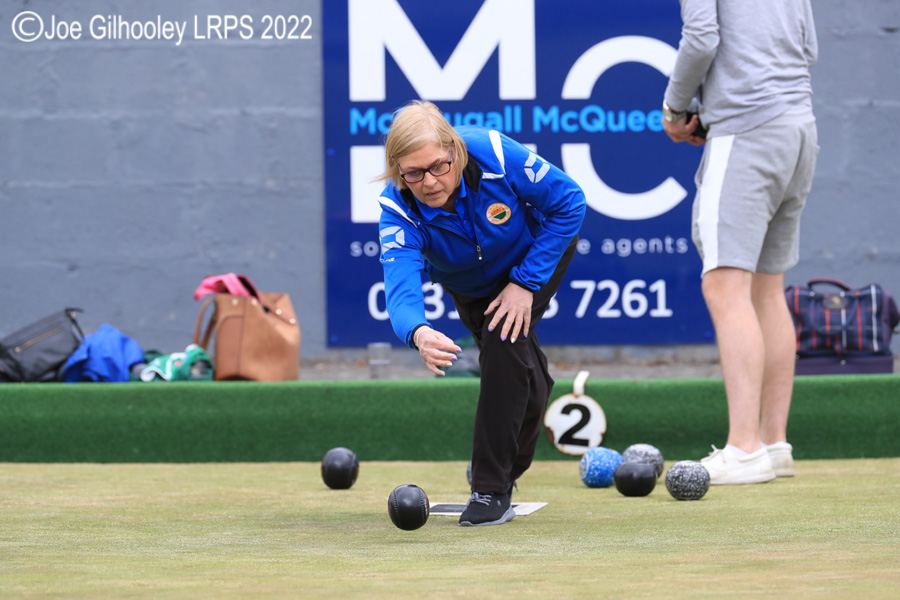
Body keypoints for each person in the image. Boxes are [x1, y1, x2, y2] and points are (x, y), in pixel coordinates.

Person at [376, 100, 586, 525]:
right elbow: (400, 291)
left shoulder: (494, 152)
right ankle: (501, 469)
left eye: (438, 166)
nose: (430, 182)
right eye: (414, 173)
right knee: (532, 384)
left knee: (504, 339)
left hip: (536, 257)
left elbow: (570, 202)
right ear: (398, 170)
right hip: (469, 288)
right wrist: (417, 332)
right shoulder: (397, 209)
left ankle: (490, 489)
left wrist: (525, 284)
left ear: (455, 149)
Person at [661, 0, 819, 484]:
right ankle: (773, 444)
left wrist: (674, 108)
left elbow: (702, 38)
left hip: (746, 131)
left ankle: (745, 448)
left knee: (725, 288)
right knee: (766, 291)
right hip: (799, 129)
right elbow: (808, 46)